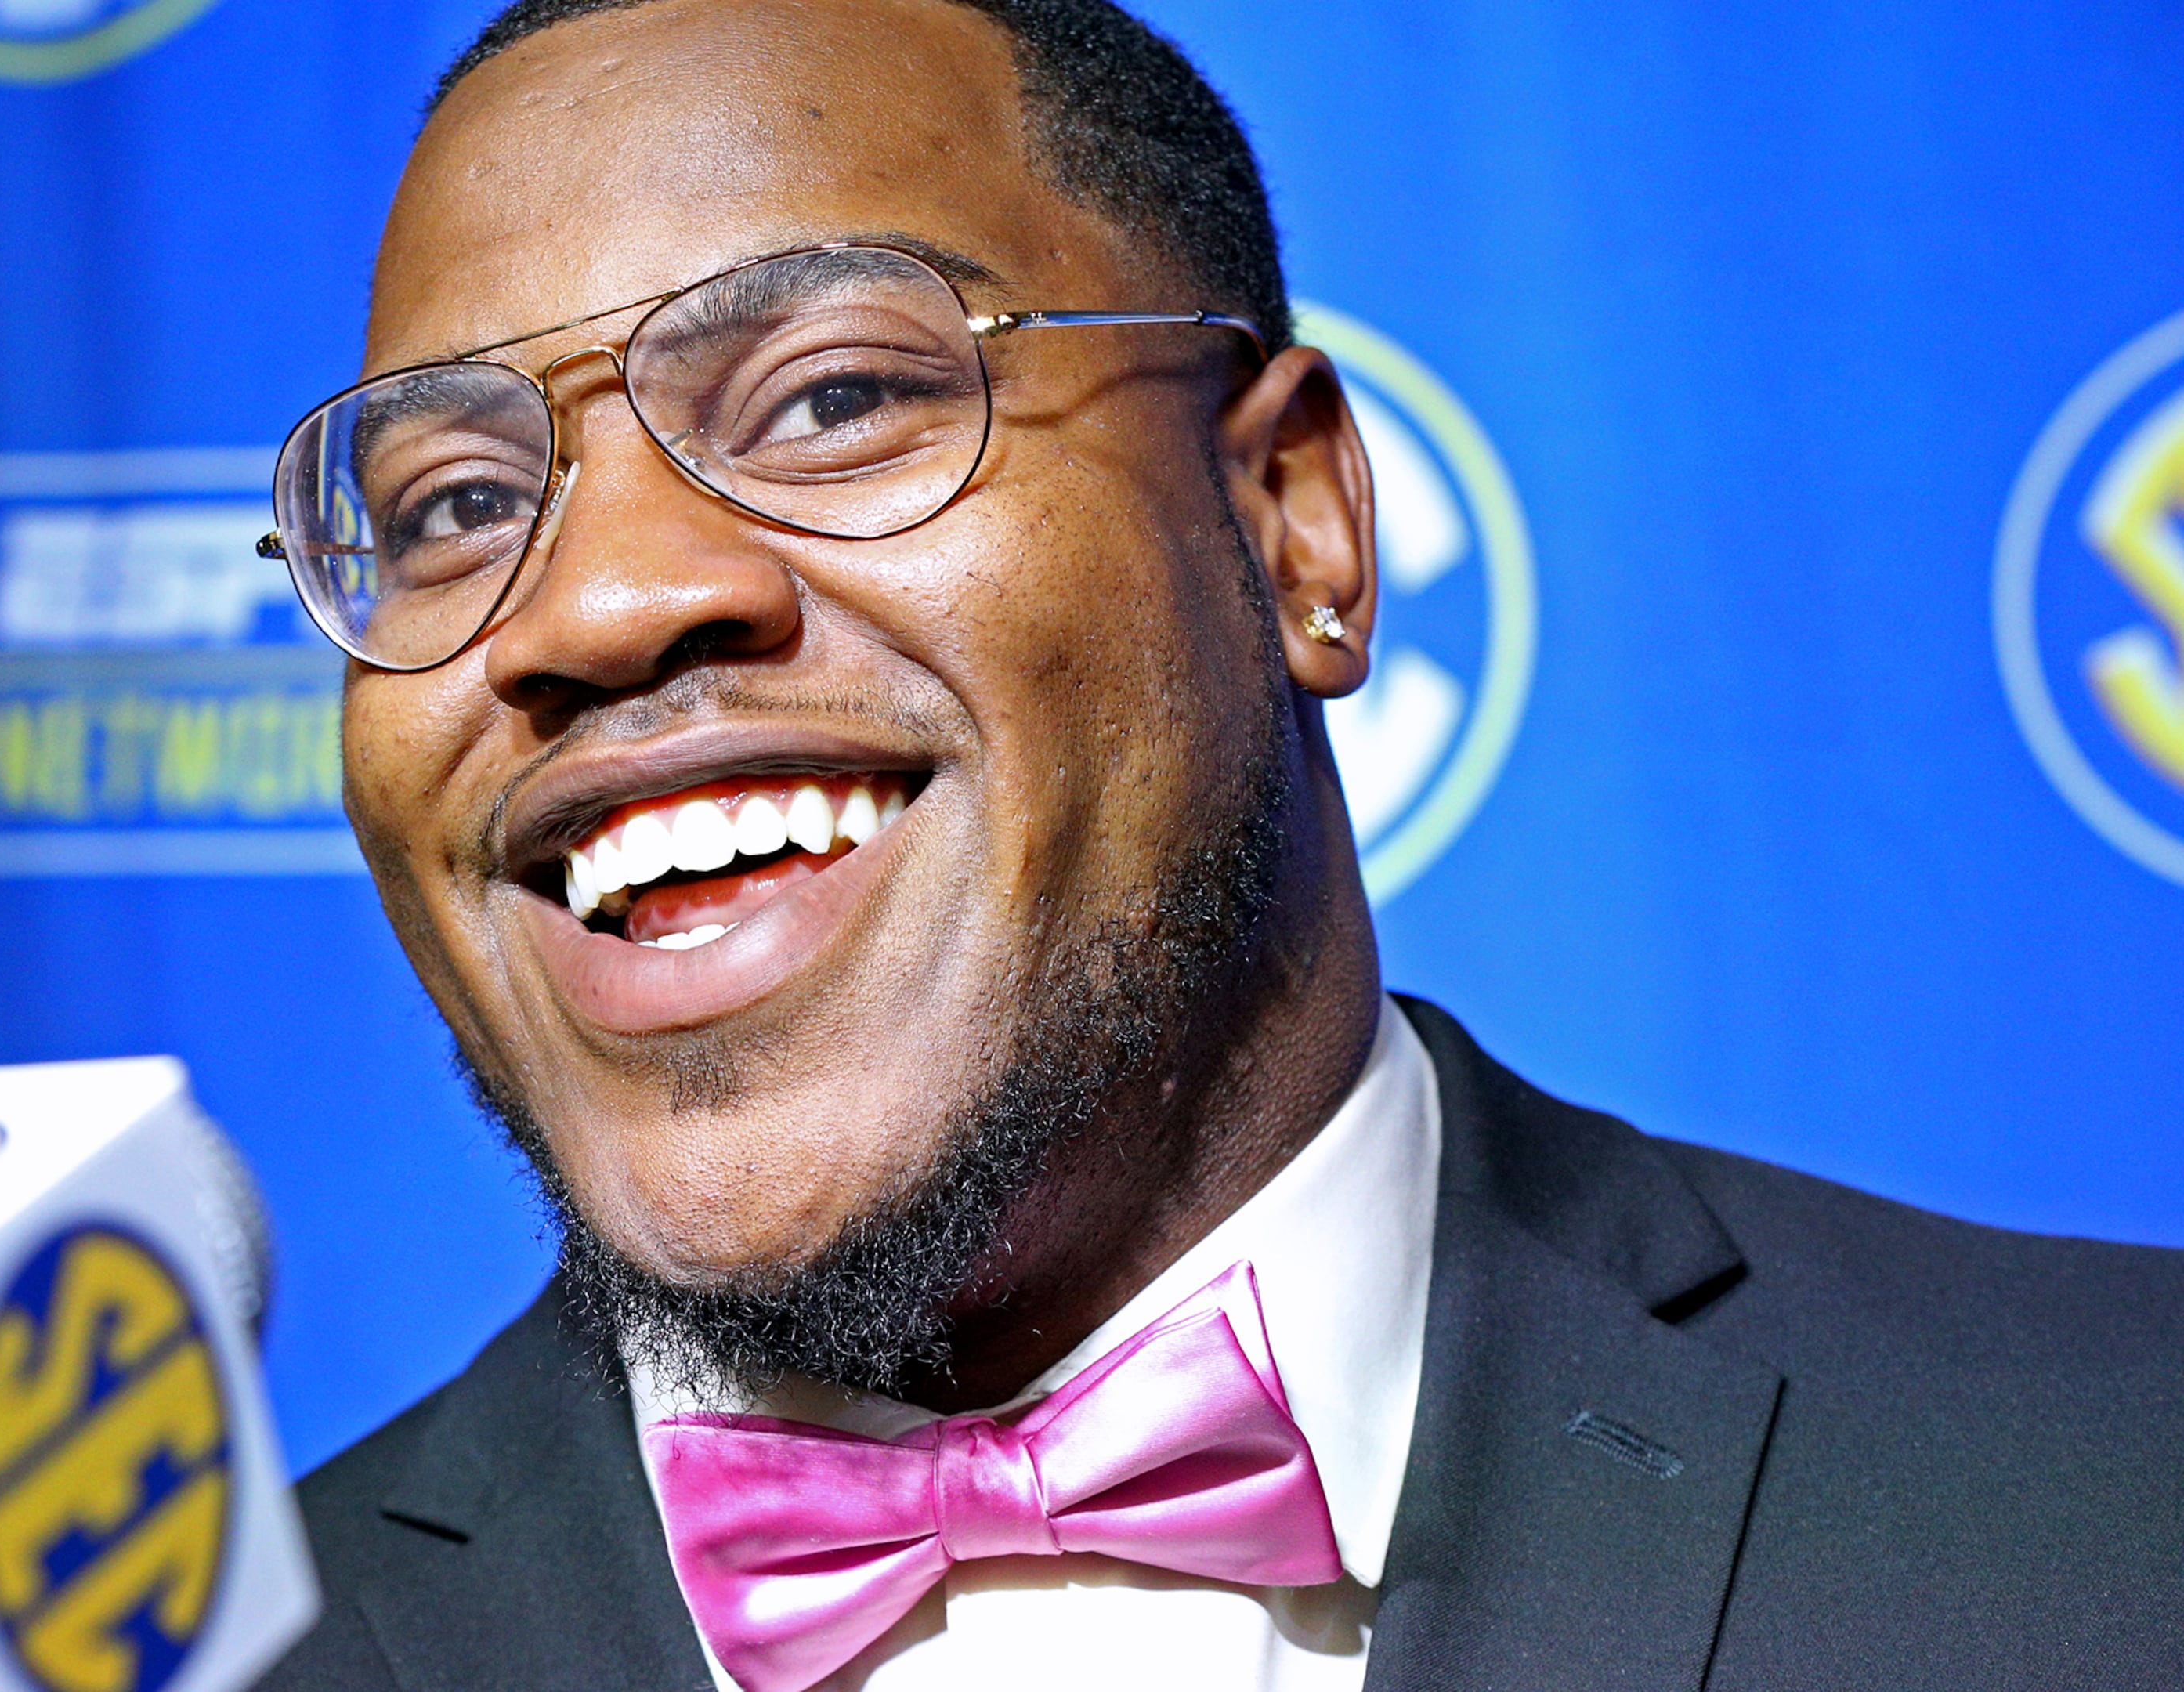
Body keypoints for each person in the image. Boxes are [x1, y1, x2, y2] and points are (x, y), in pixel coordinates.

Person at [252, 2, 2184, 1687]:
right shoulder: (199, 1670)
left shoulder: (2122, 1500)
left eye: (833, 397)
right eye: (451, 506)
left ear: (1295, 529)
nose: (593, 607)